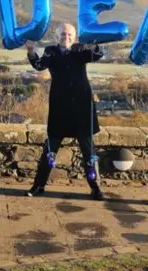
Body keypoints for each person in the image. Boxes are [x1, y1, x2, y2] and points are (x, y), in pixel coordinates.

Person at [25, 22, 105, 200]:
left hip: (82, 108)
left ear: (75, 37)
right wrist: (31, 52)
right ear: (56, 37)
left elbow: (97, 55)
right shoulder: (50, 51)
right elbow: (39, 65)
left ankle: (96, 187)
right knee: (49, 150)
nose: (66, 38)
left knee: (89, 151)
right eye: (62, 34)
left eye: (69, 35)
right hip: (60, 108)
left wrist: (94, 45)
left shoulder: (81, 49)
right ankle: (38, 185)